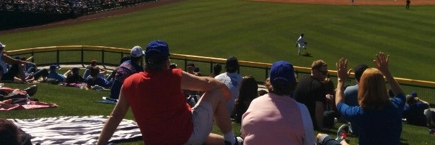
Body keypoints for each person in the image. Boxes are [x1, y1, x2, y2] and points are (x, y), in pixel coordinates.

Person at [97, 40, 241, 145]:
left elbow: (115, 117)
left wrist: (100, 144)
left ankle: (234, 142)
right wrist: (222, 85)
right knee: (215, 92)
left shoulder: (130, 83)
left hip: (158, 140)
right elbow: (208, 84)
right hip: (185, 137)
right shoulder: (174, 76)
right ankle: (231, 140)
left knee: (199, 134)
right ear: (166, 61)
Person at [334, 53, 406, 145]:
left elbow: (339, 104)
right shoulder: (395, 106)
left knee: (324, 138)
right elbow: (401, 95)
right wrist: (386, 73)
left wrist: (340, 81)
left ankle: (341, 140)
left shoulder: (360, 113)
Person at [241, 61, 316, 145]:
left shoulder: (255, 103)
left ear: (270, 81)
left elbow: (244, 134)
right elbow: (310, 143)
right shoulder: (301, 109)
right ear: (293, 83)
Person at [293, 59, 330, 131]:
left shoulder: (303, 79)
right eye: (323, 73)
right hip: (309, 120)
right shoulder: (319, 86)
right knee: (330, 115)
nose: (325, 75)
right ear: (315, 71)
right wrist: (320, 127)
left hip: (297, 117)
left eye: (326, 73)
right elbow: (318, 109)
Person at [342, 63, 368, 136]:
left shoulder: (349, 91)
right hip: (374, 131)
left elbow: (339, 104)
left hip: (355, 130)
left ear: (356, 77)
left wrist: (341, 81)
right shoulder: (379, 92)